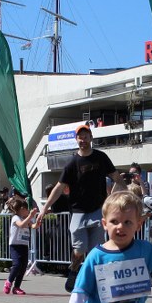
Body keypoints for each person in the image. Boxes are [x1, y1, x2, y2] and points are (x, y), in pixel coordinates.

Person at [38, 124, 126, 292]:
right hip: (78, 212)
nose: (83, 140)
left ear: (91, 138)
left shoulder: (101, 157)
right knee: (79, 249)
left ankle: (95, 283)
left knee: (95, 251)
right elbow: (58, 188)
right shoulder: (72, 163)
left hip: (98, 211)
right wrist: (44, 208)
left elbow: (117, 178)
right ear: (76, 140)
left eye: (86, 137)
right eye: (80, 137)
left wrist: (120, 197)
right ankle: (73, 270)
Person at [4, 198, 38, 295]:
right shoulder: (16, 218)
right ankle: (9, 281)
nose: (28, 211)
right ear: (22, 209)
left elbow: (33, 226)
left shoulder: (26, 218)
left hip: (24, 245)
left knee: (23, 267)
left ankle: (17, 287)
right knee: (17, 264)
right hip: (15, 246)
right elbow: (22, 225)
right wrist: (30, 216)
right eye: (27, 209)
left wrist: (38, 222)